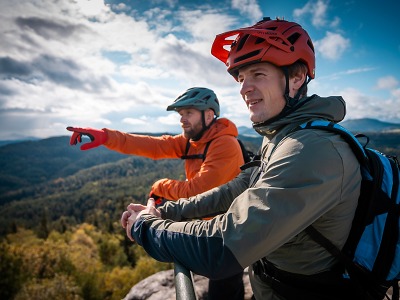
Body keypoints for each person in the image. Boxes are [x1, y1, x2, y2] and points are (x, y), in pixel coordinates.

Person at [67, 87, 246, 300]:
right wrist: (106, 136)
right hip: (211, 225)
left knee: (224, 290)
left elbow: (198, 190)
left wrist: (160, 186)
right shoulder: (192, 140)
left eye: (189, 113)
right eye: (181, 114)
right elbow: (153, 146)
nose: (182, 120)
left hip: (229, 230)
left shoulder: (225, 144)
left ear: (209, 115)